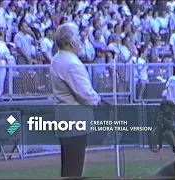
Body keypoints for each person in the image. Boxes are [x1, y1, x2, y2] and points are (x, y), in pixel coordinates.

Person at [50, 22, 101, 179]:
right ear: (71, 43)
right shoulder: (71, 63)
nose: (80, 40)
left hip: (65, 117)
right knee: (74, 168)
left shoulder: (57, 58)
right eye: (78, 37)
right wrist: (97, 101)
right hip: (75, 119)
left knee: (69, 166)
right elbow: (85, 94)